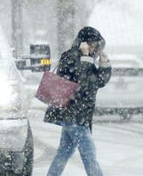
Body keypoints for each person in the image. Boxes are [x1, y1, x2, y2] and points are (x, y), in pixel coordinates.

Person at [45, 26, 112, 176]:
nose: (95, 48)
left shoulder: (86, 58)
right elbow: (84, 84)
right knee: (89, 155)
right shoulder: (72, 57)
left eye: (96, 44)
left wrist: (104, 63)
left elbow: (98, 82)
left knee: (63, 153)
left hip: (78, 115)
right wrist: (86, 58)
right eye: (92, 44)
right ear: (84, 42)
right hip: (74, 114)